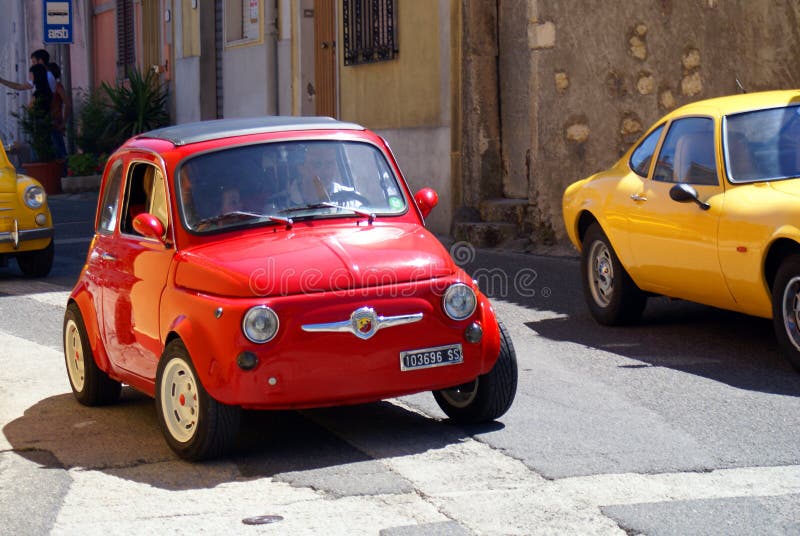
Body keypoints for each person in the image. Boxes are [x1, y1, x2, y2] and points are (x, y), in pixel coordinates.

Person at [289, 143, 363, 207]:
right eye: (317, 164)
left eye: (330, 164)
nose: (325, 172)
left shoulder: (351, 200)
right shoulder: (283, 202)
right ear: (301, 168)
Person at [47, 62, 70, 160]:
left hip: (55, 121)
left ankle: (64, 171)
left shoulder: (57, 87)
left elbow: (68, 104)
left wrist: (64, 122)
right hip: (51, 121)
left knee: (58, 149)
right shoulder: (47, 87)